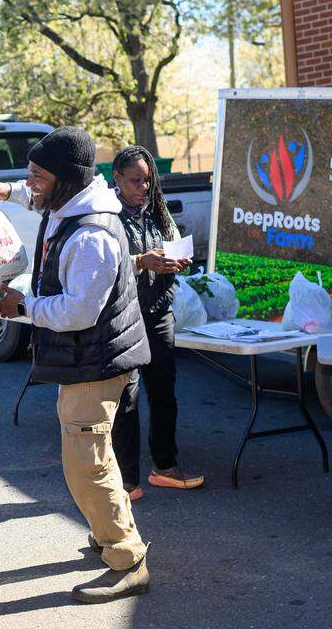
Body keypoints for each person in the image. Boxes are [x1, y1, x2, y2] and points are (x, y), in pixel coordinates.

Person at [0, 127, 152, 603]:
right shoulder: (70, 204)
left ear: (66, 179)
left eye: (37, 175)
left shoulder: (91, 235)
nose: (29, 182)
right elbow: (35, 197)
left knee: (86, 466)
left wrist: (23, 308)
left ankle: (126, 557)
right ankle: (108, 534)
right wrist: (7, 191)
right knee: (94, 457)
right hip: (88, 360)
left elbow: (79, 312)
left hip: (95, 362)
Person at [110, 146, 203, 496]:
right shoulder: (108, 216)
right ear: (116, 178)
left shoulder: (157, 211)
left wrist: (179, 260)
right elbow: (105, 268)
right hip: (125, 317)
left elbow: (177, 248)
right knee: (128, 397)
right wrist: (141, 262)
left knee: (164, 393)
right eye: (135, 180)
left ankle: (165, 466)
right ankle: (126, 480)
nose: (143, 187)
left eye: (147, 180)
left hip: (160, 311)